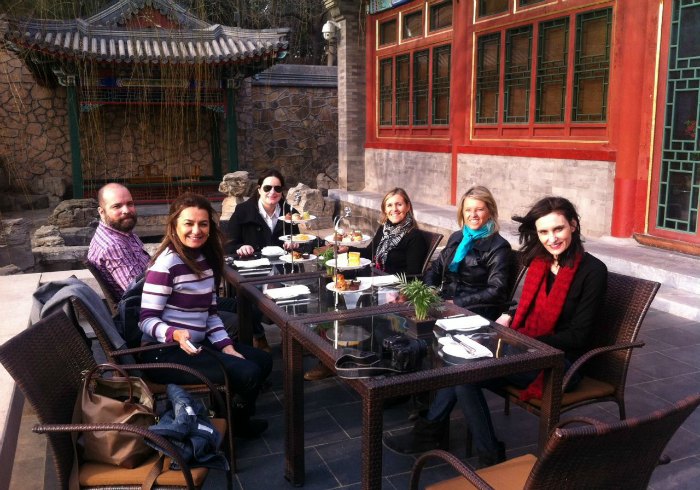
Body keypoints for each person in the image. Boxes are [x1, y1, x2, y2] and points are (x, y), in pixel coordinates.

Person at [384, 196, 607, 468]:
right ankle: (486, 454)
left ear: (573, 225)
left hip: (562, 364)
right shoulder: (541, 262)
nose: (552, 239)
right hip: (526, 349)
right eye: (544, 232)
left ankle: (436, 435)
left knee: (465, 370)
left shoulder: (593, 270)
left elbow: (578, 336)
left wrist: (519, 341)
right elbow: (530, 306)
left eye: (558, 229)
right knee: (463, 371)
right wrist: (510, 317)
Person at [139, 193, 272, 438]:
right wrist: (175, 334)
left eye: (203, 224)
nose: (196, 230)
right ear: (174, 226)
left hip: (198, 346)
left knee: (263, 361)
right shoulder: (166, 265)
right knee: (248, 373)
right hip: (164, 353)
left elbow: (210, 314)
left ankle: (229, 419)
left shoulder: (205, 261)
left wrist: (227, 346)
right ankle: (233, 428)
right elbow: (146, 320)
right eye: (188, 223)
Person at [304, 188, 428, 381]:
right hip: (373, 281)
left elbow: (413, 274)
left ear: (408, 207)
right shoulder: (385, 229)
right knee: (330, 289)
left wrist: (387, 285)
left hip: (392, 289)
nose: (394, 209)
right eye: (389, 205)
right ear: (384, 210)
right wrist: (347, 249)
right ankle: (329, 353)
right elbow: (370, 253)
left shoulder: (414, 237)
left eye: (399, 204)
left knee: (340, 304)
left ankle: (340, 356)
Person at [226, 169, 300, 351]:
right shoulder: (243, 211)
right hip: (253, 269)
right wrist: (240, 247)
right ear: (259, 189)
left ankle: (290, 336)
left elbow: (301, 243)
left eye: (277, 188)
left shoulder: (290, 212)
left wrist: (295, 244)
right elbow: (228, 243)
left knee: (298, 293)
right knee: (250, 296)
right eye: (267, 188)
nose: (272, 192)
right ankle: (258, 335)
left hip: (283, 268)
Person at [424, 186, 512, 320]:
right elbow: (435, 269)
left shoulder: (499, 246)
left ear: (490, 211)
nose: (473, 215)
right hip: (445, 302)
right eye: (468, 210)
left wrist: (456, 303)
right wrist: (430, 290)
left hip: (475, 310)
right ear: (462, 213)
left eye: (479, 209)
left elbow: (496, 290)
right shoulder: (457, 237)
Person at [87, 183, 150, 298]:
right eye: (117, 206)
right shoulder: (113, 246)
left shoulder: (123, 232)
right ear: (102, 212)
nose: (126, 210)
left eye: (130, 204)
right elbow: (139, 293)